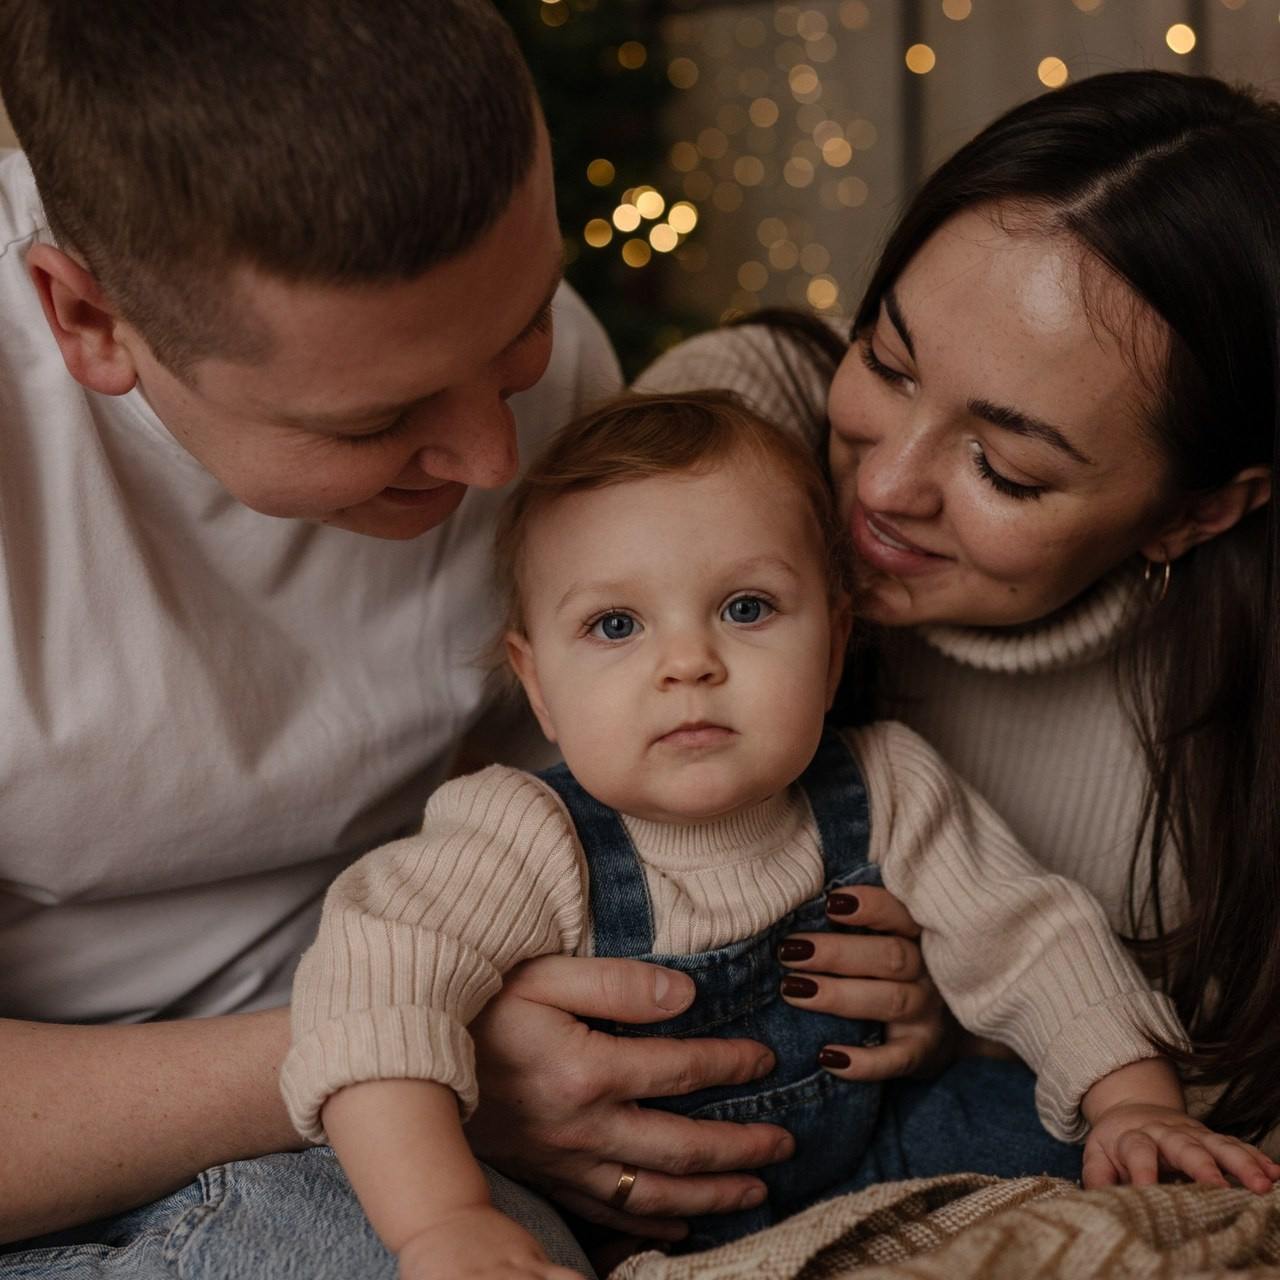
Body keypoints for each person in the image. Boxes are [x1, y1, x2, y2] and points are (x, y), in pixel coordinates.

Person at [281, 391, 1277, 1279]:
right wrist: (442, 1221)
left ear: (835, 639)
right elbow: (373, 985)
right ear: (535, 680)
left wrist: (1131, 1100)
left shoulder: (883, 779)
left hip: (882, 1145)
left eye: (745, 606)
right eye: (615, 625)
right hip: (625, 1216)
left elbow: (1031, 936)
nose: (688, 662)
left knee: (1116, 1162)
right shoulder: (523, 833)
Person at [0, 1, 639, 1274]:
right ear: (87, 320)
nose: (495, 457)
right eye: (377, 420)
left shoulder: (524, 349)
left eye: (522, 330)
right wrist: (399, 1052)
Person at [622, 67, 1280, 1186]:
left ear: (1195, 509)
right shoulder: (724, 438)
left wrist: (950, 1028)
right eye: (884, 359)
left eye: (1005, 467)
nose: (883, 483)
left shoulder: (1228, 710)